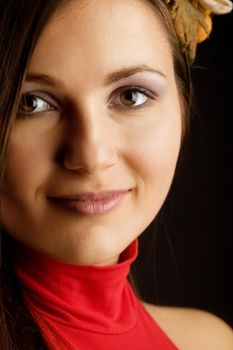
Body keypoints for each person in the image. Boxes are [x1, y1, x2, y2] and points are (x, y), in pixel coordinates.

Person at [0, 0, 232, 349]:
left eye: (130, 96)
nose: (90, 157)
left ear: (183, 109)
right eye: (30, 104)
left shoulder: (211, 341)